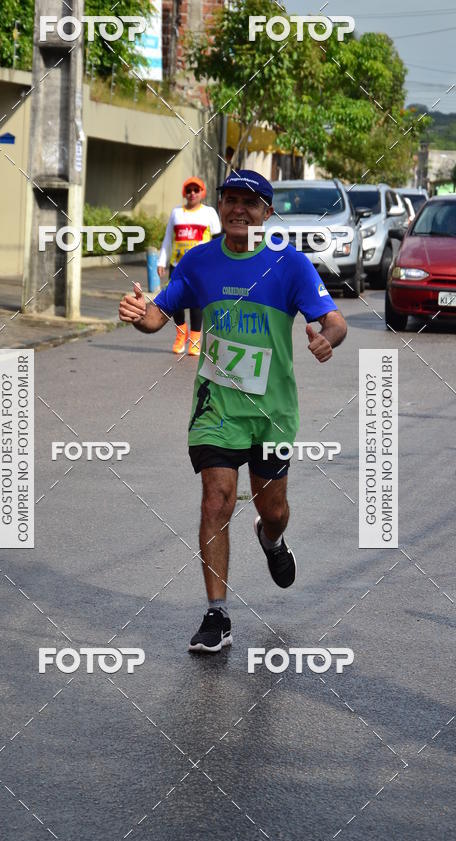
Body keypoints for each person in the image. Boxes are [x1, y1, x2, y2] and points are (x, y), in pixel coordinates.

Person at [119, 170, 347, 653]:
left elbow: (333, 318)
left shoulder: (289, 264)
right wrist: (143, 316)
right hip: (216, 408)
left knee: (274, 508)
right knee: (215, 500)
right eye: (230, 200)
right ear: (219, 207)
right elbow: (160, 314)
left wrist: (327, 337)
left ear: (267, 212)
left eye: (250, 202)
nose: (238, 209)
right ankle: (216, 615)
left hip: (272, 414)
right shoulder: (200, 262)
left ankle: (271, 540)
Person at [157, 177, 221, 355]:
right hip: (177, 265)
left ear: (202, 193)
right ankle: (181, 334)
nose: (192, 193)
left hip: (201, 267)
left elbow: (218, 241)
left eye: (196, 190)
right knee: (175, 302)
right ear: (184, 193)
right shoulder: (176, 212)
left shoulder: (209, 213)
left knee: (196, 304)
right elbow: (168, 238)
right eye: (189, 190)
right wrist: (161, 261)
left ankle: (194, 341)